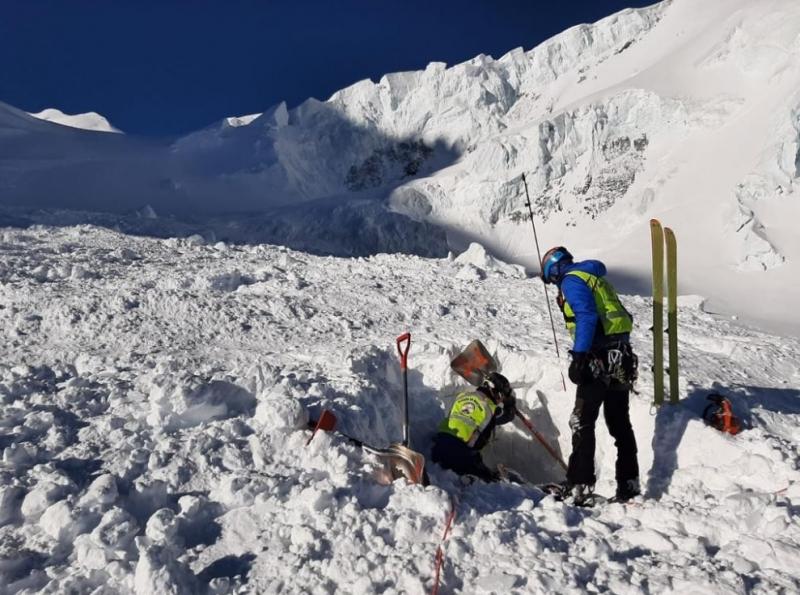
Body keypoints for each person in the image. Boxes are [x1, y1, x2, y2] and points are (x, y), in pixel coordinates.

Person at [541, 246, 640, 504]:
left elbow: (586, 315)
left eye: (551, 279)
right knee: (619, 422)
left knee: (582, 420)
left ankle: (580, 484)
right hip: (621, 356)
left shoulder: (571, 281)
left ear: (554, 270)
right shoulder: (593, 276)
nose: (554, 285)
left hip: (597, 357)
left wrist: (580, 355)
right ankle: (628, 484)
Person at [431, 372, 517, 482]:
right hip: (458, 456)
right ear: (498, 394)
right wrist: (510, 407)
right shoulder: (490, 408)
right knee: (491, 481)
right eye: (502, 397)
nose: (501, 401)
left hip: (438, 447)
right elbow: (481, 442)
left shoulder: (462, 396)